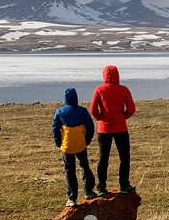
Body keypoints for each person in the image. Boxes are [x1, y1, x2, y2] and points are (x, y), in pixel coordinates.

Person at [90, 64, 135, 194]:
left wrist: (100, 118)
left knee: (103, 158)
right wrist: (123, 117)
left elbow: (93, 109)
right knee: (124, 157)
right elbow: (131, 109)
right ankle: (124, 185)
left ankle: (102, 187)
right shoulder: (124, 89)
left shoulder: (99, 89)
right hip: (121, 128)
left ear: (104, 75)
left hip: (104, 129)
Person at [52, 87, 97, 206]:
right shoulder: (82, 111)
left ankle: (72, 198)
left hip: (67, 146)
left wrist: (58, 143)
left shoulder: (60, 112)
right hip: (81, 144)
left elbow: (55, 128)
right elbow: (90, 127)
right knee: (85, 166)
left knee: (69, 170)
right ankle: (88, 191)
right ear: (76, 97)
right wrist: (86, 140)